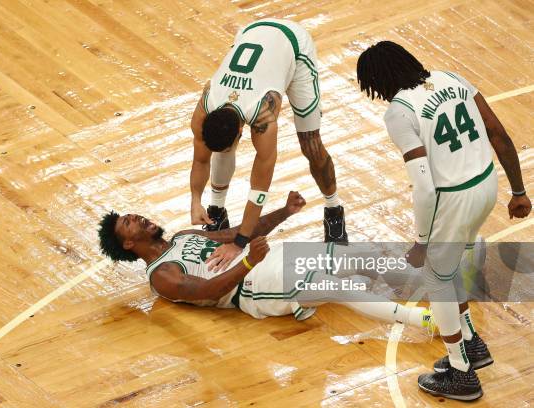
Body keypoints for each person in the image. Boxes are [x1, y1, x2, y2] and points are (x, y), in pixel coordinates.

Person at [356, 41, 531, 401]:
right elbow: (498, 133)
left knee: (435, 277)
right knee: (451, 267)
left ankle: (461, 373)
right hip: (486, 184)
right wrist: (518, 190)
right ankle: (470, 342)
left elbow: (423, 186)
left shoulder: (399, 112)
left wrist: (421, 240)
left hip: (455, 197)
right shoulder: (451, 77)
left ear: (377, 81)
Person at [98, 191, 435, 330]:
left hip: (265, 260)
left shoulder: (185, 236)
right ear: (128, 243)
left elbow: (239, 234)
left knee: (359, 255)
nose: (138, 217)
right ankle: (423, 321)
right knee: (334, 285)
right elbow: (204, 290)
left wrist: (284, 212)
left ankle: (438, 285)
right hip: (254, 286)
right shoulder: (160, 276)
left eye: (133, 214)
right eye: (129, 222)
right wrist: (248, 264)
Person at [189, 18, 347, 273]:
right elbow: (201, 159)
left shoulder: (264, 116)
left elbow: (259, 187)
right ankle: (216, 210)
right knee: (221, 150)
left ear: (243, 130)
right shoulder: (206, 104)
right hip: (251, 31)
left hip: (294, 47)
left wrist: (240, 242)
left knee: (311, 144)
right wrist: (195, 200)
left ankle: (334, 209)